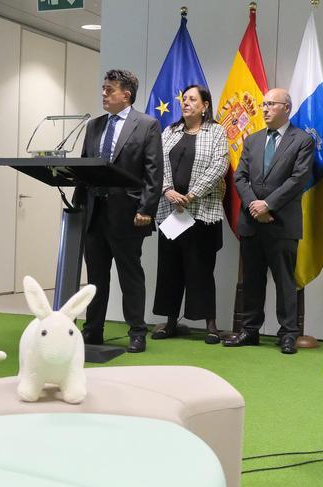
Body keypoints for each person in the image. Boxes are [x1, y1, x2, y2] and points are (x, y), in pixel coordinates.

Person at [75, 69, 163, 353]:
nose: (103, 93)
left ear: (126, 94)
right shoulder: (94, 126)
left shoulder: (147, 125)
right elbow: (84, 167)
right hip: (94, 213)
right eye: (103, 88)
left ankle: (137, 332)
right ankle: (93, 329)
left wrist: (146, 208)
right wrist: (78, 205)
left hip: (128, 214)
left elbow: (154, 172)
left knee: (130, 275)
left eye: (109, 89)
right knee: (96, 278)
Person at [225, 88, 313, 354]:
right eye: (263, 104)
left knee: (285, 282)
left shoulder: (302, 140)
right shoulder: (252, 140)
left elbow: (298, 179)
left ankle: (288, 334)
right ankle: (250, 330)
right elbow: (240, 177)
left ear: (286, 108)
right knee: (251, 279)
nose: (264, 109)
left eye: (270, 104)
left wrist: (268, 204)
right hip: (252, 222)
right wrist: (255, 206)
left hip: (282, 223)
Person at [151, 85, 228, 344]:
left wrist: (192, 194)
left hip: (201, 211)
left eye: (192, 99)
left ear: (205, 105)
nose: (186, 103)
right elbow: (156, 164)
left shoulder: (216, 132)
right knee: (170, 268)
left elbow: (220, 165)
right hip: (171, 210)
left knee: (201, 269)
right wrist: (167, 191)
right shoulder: (169, 132)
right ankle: (171, 322)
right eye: (184, 99)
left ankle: (211, 325)